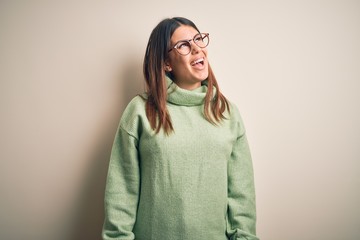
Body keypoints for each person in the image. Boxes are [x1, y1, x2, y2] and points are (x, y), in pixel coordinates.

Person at [102, 17, 259, 240]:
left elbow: (242, 197)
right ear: (167, 63)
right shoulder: (139, 111)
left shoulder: (227, 113)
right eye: (184, 45)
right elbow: (121, 193)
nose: (197, 49)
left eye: (198, 39)